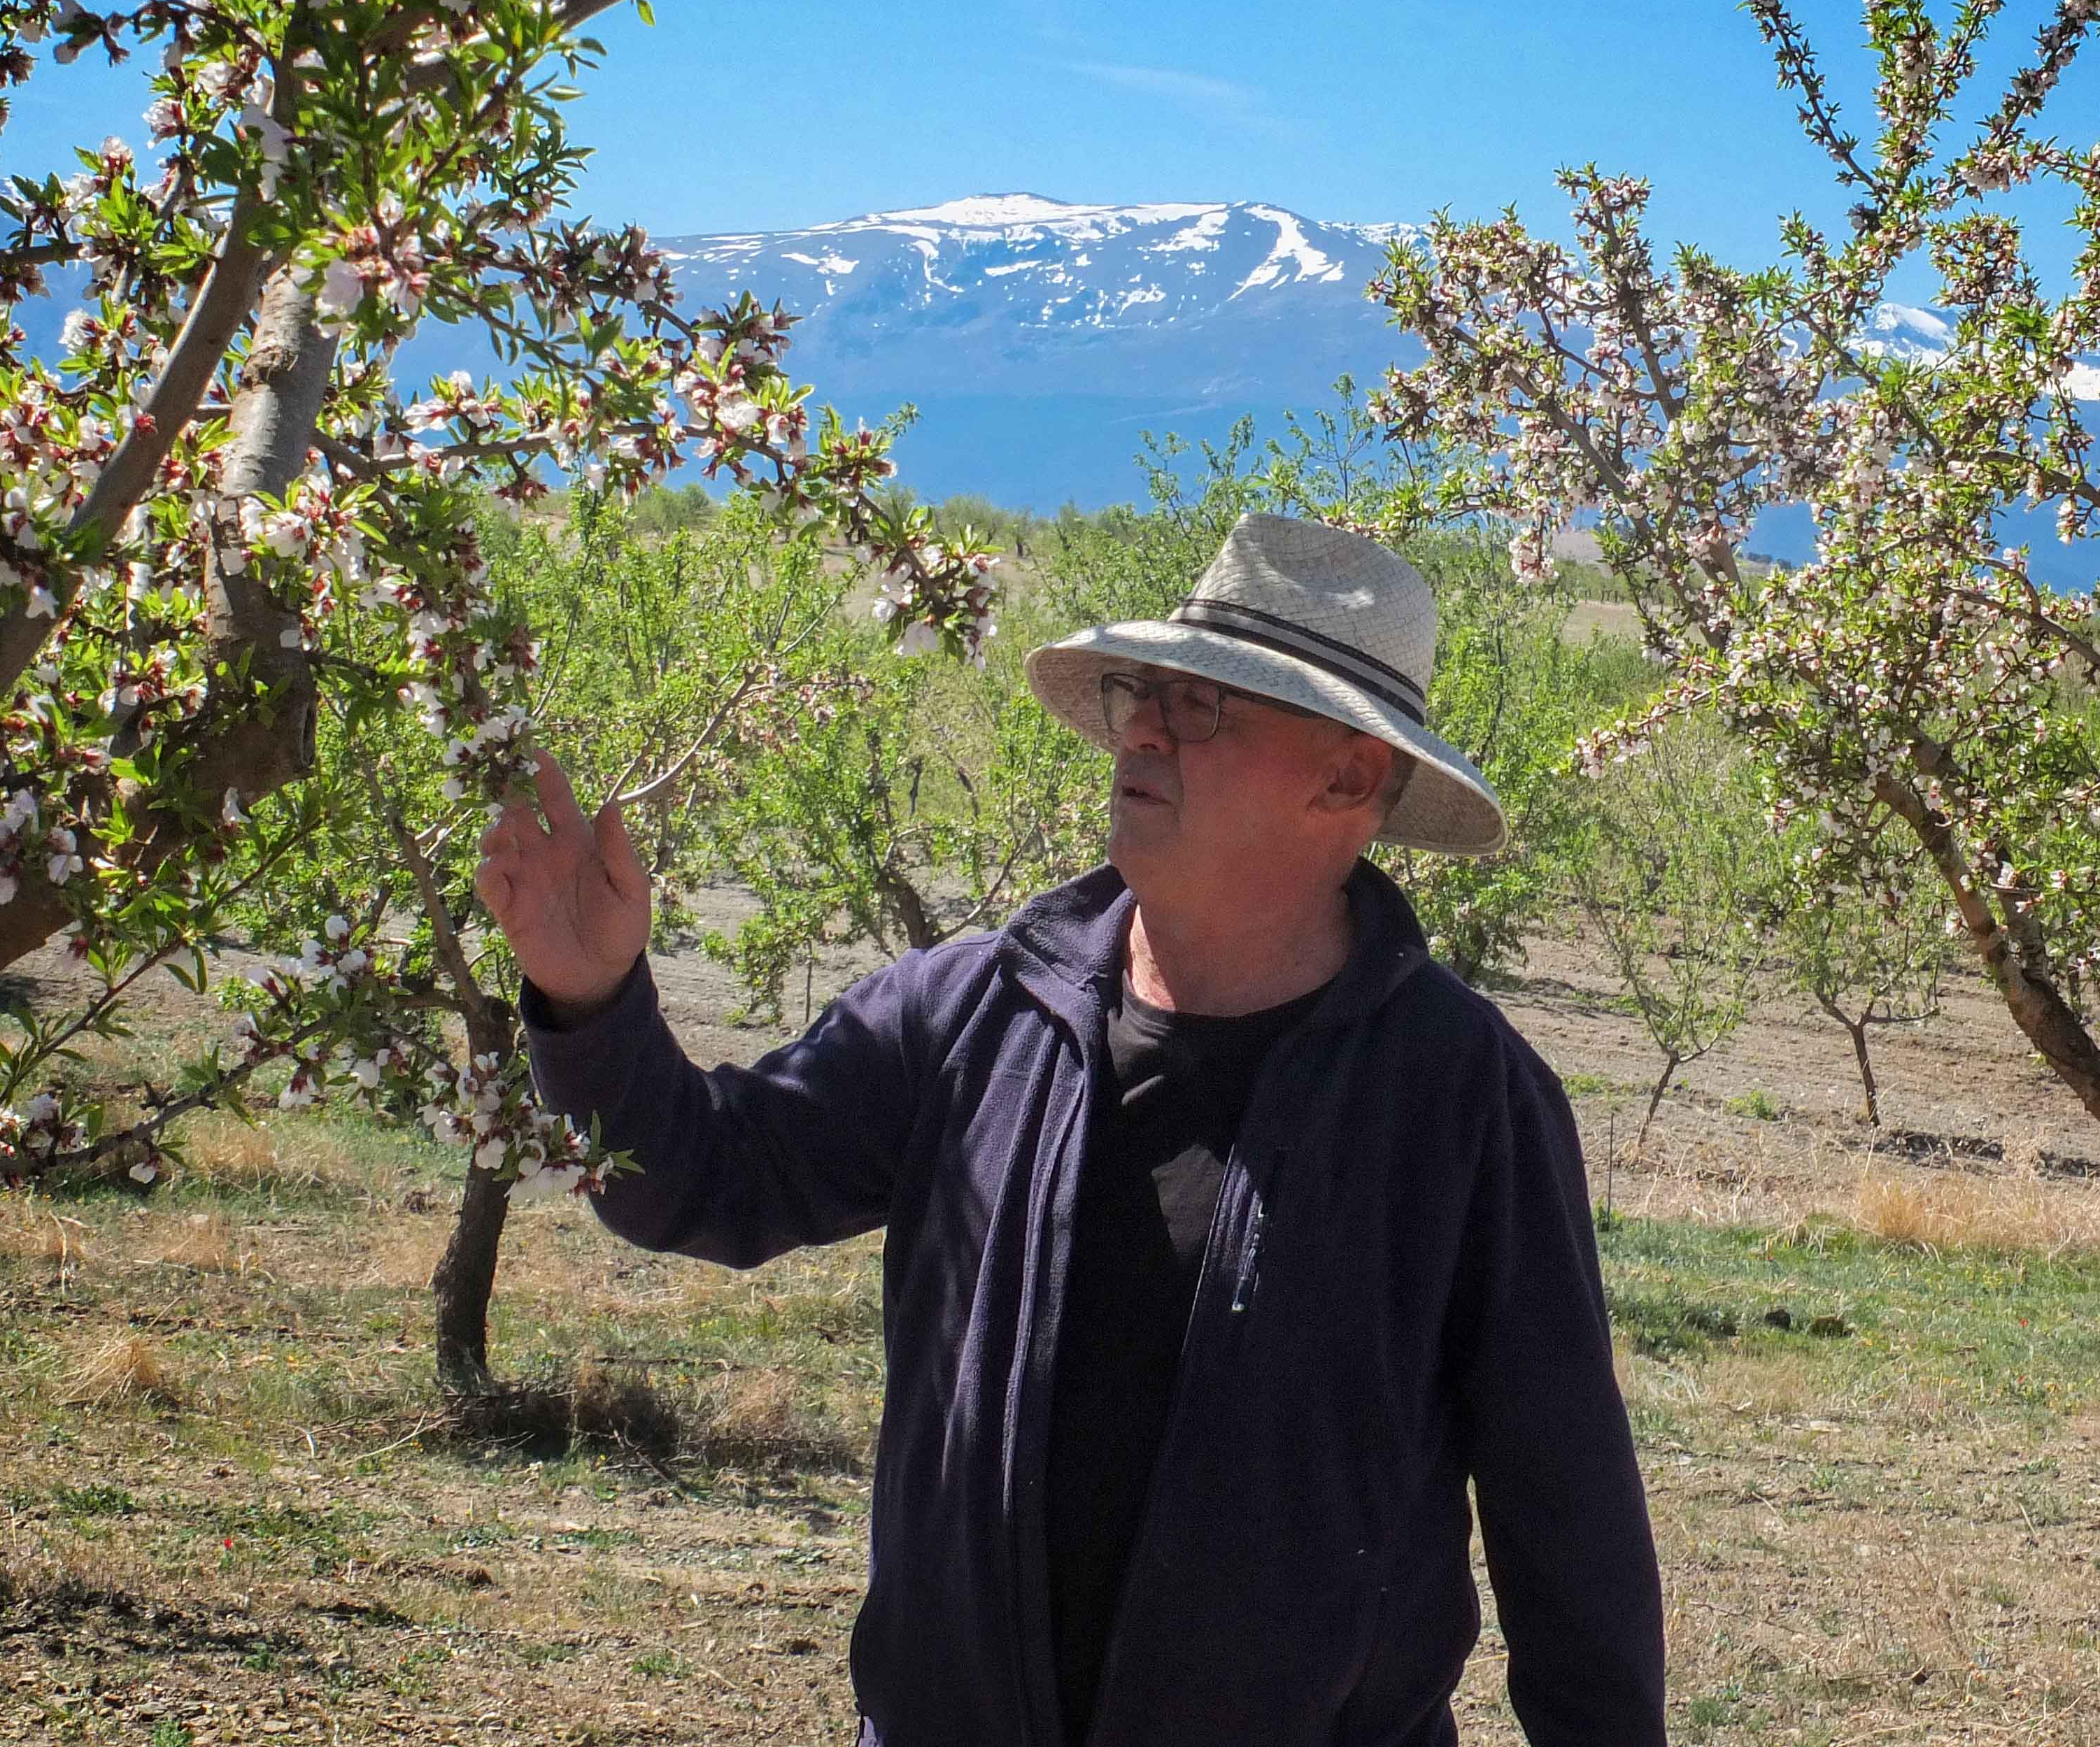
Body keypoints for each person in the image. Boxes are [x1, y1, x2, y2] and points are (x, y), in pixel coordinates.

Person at [475, 512, 1667, 1747]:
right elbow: (700, 1180)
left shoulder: (1462, 1101)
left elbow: (1567, 1523)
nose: (1142, 728)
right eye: (1141, 693)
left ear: (1349, 779)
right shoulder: (968, 1013)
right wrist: (592, 1004)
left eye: (1201, 706)